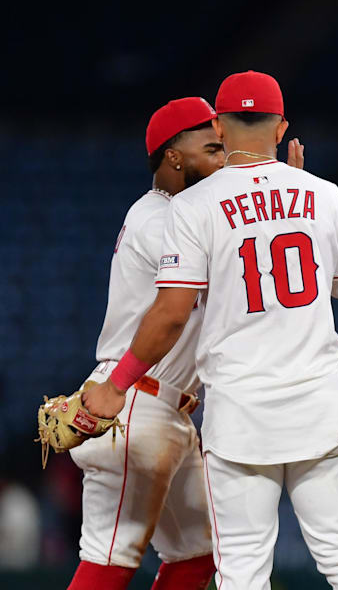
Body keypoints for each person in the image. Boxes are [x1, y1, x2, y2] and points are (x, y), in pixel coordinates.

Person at [81, 71, 338, 590]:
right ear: (283, 124)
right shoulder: (325, 193)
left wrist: (115, 385)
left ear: (221, 127)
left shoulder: (194, 206)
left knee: (241, 572)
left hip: (240, 415)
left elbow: (173, 312)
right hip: (320, 406)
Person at [66, 97, 223, 590]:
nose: (224, 159)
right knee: (109, 561)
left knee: (199, 556)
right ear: (173, 157)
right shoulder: (159, 218)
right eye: (212, 147)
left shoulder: (185, 216)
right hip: (133, 399)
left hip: (167, 411)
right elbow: (226, 282)